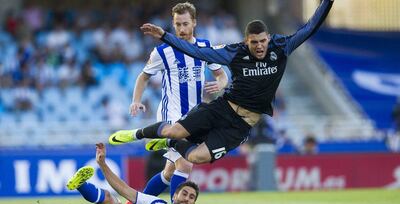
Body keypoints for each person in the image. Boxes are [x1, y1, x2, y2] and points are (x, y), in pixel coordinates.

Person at [109, 0, 334, 164]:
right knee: (173, 131)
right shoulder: (234, 52)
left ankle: (169, 144)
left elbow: (310, 27)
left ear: (268, 39)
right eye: (254, 42)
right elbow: (199, 52)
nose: (259, 46)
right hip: (222, 108)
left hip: (241, 125)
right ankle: (136, 134)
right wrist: (165, 36)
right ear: (246, 41)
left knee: (196, 157)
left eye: (263, 41)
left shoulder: (282, 47)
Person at [112, 2, 227, 198]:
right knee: (185, 163)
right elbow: (143, 76)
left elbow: (222, 75)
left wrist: (220, 84)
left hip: (195, 115)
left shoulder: (205, 47)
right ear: (173, 25)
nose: (181, 29)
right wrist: (136, 100)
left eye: (185, 24)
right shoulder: (163, 52)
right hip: (171, 114)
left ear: (194, 23)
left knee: (169, 172)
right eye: (177, 24)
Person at [51, 143, 199, 204]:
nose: (187, 198)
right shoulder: (158, 203)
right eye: (184, 193)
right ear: (174, 197)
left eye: (191, 197)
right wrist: (102, 164)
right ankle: (81, 186)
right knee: (109, 198)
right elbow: (123, 189)